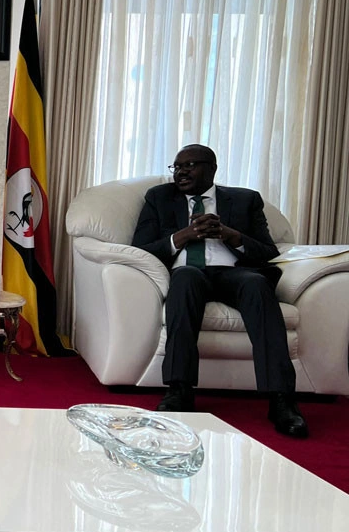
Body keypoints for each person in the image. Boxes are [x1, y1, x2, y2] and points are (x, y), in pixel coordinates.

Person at [132, 144, 307, 438]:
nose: (181, 172)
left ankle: (282, 399)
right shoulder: (159, 198)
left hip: (234, 273)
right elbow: (141, 249)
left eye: (190, 165)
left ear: (211, 169)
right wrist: (182, 237)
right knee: (185, 279)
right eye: (177, 166)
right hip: (188, 272)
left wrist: (231, 235)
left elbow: (268, 252)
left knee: (257, 284)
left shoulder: (245, 200)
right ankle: (179, 390)